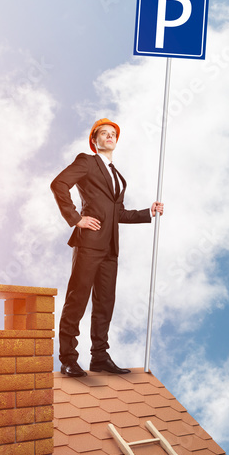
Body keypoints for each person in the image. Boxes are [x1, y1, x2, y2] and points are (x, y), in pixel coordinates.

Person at [50, 118, 163, 376]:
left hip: (111, 248)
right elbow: (58, 184)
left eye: (113, 134)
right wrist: (76, 219)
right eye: (104, 133)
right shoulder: (86, 162)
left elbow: (118, 213)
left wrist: (149, 212)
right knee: (77, 300)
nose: (110, 136)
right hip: (89, 245)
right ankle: (68, 359)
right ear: (95, 140)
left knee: (105, 304)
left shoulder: (116, 175)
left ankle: (99, 357)